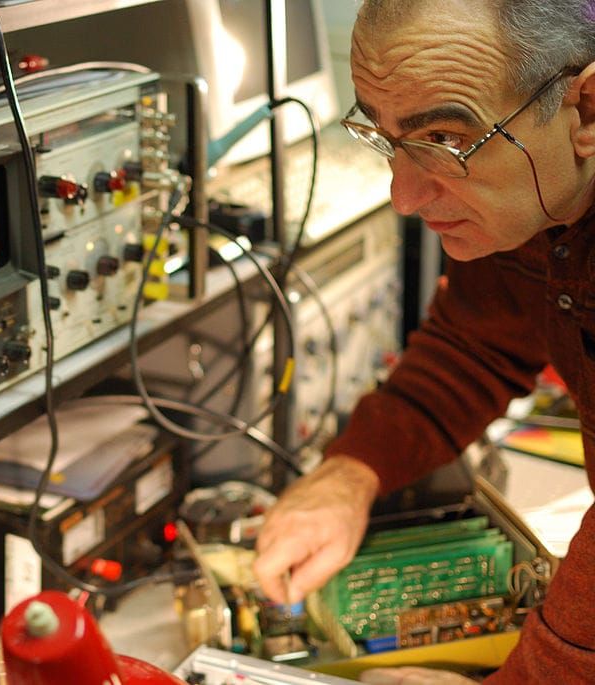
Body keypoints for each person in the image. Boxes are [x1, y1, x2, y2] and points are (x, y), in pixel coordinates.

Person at [252, 0, 595, 682]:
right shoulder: (533, 194)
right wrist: (351, 473)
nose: (403, 196)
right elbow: (478, 344)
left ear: (585, 110)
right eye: (385, 140)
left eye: (442, 140)